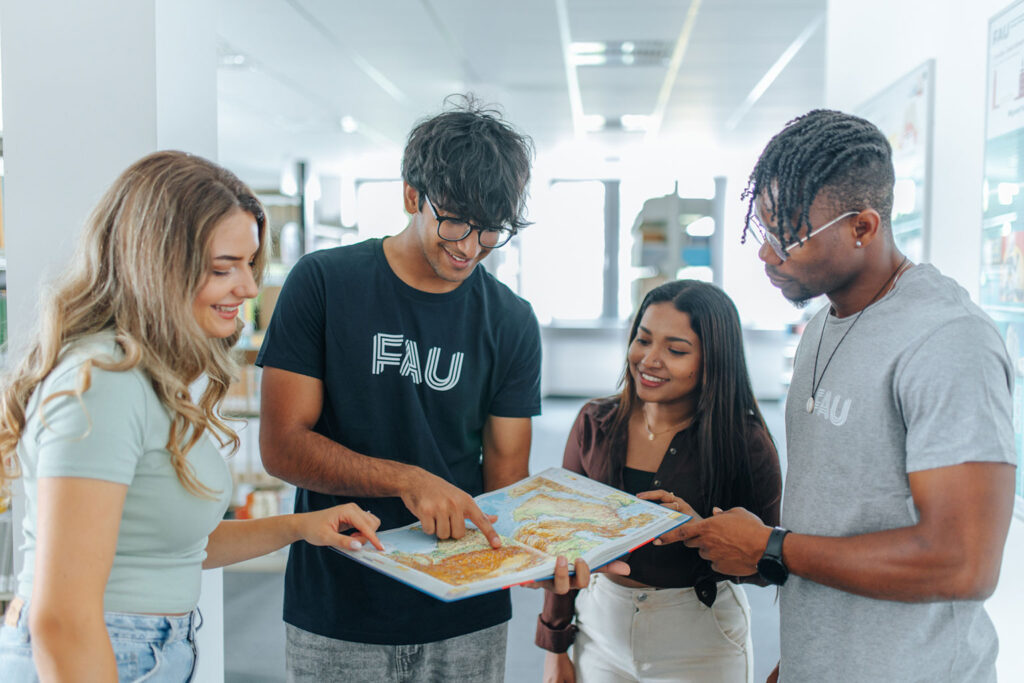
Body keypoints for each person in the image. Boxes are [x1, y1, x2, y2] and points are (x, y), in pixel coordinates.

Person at [0, 151, 385, 682]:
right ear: (155, 265)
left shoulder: (147, 373)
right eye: (224, 268)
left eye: (251, 265)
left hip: (143, 648)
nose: (248, 289)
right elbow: (62, 619)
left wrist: (301, 527)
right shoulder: (102, 383)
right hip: (104, 651)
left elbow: (169, 545)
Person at [257, 96, 600, 682]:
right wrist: (408, 481)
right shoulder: (323, 283)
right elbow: (282, 446)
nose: (471, 247)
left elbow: (505, 487)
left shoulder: (511, 321)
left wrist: (549, 551)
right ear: (412, 195)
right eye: (456, 221)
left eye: (492, 230)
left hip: (465, 617)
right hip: (339, 608)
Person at [672, 110, 1017, 682]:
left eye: (787, 237)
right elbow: (838, 518)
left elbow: (964, 564)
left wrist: (772, 548)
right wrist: (805, 655)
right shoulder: (824, 323)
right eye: (762, 230)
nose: (766, 255)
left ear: (863, 227)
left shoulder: (947, 340)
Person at [536, 279, 782, 683]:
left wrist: (701, 532)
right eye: (643, 340)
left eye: (676, 350)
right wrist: (555, 646)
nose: (649, 360)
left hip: (699, 636)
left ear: (712, 360)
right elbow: (563, 543)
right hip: (599, 625)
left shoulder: (745, 443)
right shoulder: (594, 424)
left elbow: (765, 569)